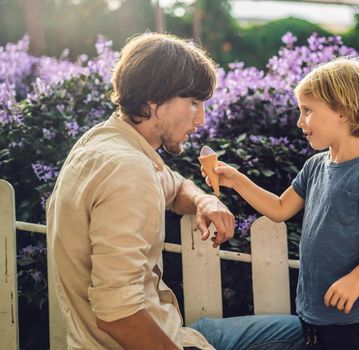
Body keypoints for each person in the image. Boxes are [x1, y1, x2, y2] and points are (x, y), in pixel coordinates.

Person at [46, 33, 303, 350]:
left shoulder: (105, 141)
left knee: (293, 330)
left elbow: (175, 185)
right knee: (302, 336)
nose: (202, 119)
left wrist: (204, 199)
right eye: (193, 103)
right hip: (155, 340)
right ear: (153, 102)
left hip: (171, 329)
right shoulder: (128, 170)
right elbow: (117, 315)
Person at [203, 57, 359, 350]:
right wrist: (237, 180)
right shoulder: (315, 166)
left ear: (341, 110)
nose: (300, 122)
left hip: (357, 324)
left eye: (307, 111)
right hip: (315, 317)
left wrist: (357, 279)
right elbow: (279, 208)